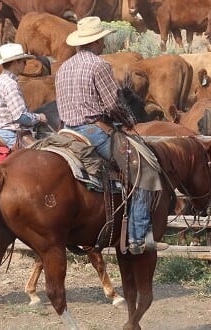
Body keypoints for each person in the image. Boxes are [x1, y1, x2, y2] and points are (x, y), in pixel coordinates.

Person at [55, 16, 167, 255]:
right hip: (94, 131)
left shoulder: (63, 67)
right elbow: (113, 103)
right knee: (145, 168)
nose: (104, 45)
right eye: (102, 41)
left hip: (65, 132)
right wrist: (129, 120)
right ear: (95, 43)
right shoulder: (99, 66)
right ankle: (137, 236)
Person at [0, 43, 47, 149]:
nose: (25, 65)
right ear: (15, 63)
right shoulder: (10, 84)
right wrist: (39, 117)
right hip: (11, 135)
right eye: (23, 62)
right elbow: (20, 116)